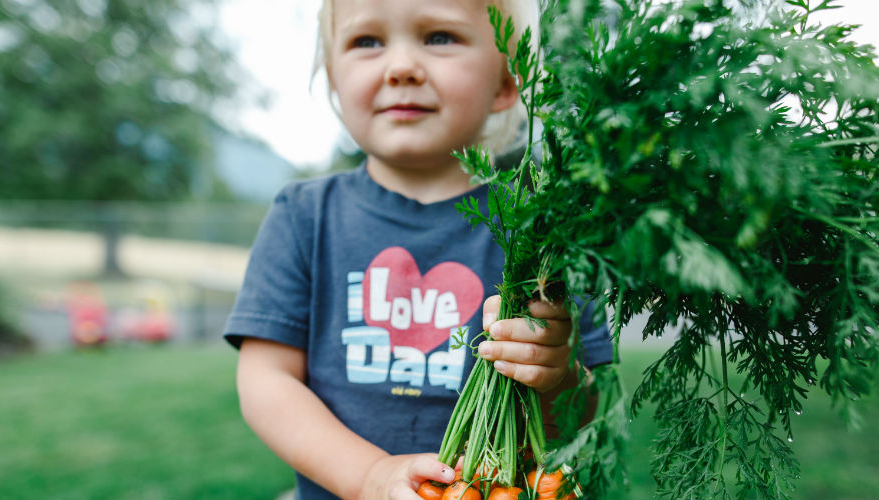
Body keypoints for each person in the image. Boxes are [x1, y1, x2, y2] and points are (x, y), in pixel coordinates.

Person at [224, 1, 613, 498]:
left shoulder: (543, 228)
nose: (402, 67)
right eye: (367, 42)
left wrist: (555, 377)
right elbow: (266, 384)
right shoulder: (304, 216)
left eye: (439, 37)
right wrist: (368, 476)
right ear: (332, 80)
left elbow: (587, 412)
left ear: (506, 84)